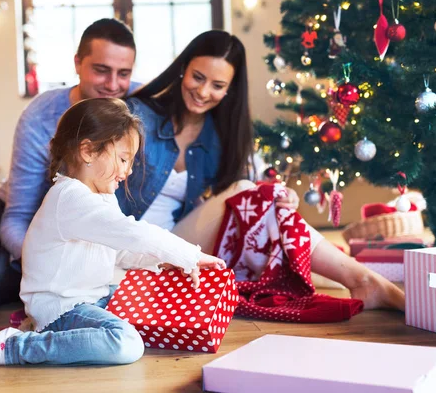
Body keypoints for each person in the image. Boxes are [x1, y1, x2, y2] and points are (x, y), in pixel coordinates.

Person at [117, 30, 405, 311]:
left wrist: (283, 196)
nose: (203, 92)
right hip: (128, 246)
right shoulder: (136, 116)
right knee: (246, 193)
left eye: (217, 85)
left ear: (229, 90)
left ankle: (363, 280)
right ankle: (363, 279)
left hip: (177, 244)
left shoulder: (217, 137)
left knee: (254, 196)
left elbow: (246, 199)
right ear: (182, 70)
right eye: (198, 77)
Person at [0, 98, 226, 369]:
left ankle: (45, 333)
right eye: (123, 159)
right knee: (126, 343)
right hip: (63, 308)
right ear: (88, 151)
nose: (127, 171)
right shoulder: (70, 198)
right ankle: (16, 347)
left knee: (148, 309)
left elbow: (119, 250)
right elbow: (134, 233)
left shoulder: (100, 197)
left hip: (94, 297)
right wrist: (190, 254)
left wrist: (160, 261)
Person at [0, 18, 140, 307]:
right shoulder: (41, 115)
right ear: (78, 63)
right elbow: (15, 217)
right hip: (7, 212)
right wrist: (46, 259)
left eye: (124, 73)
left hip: (60, 230)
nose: (113, 84)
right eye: (101, 70)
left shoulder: (137, 101)